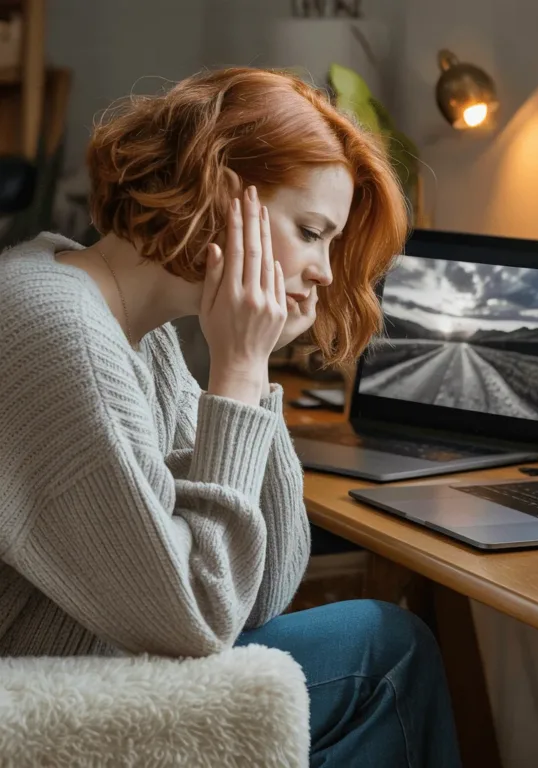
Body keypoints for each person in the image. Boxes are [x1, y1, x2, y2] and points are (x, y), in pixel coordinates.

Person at [0, 68, 462, 767]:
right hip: (41, 704)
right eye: (312, 232)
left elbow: (264, 587)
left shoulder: (134, 330)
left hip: (107, 658)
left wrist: (257, 366)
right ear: (221, 194)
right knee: (384, 654)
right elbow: (198, 619)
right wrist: (239, 373)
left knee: (387, 640)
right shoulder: (57, 331)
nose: (326, 273)